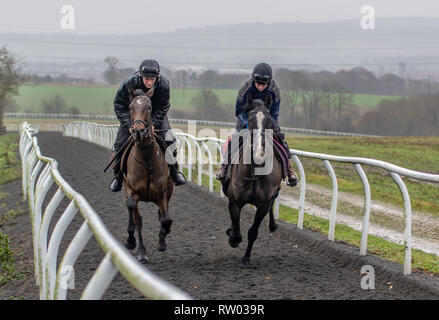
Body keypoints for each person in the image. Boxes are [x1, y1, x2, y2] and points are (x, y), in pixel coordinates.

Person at [109, 59, 187, 192]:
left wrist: (154, 124)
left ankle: (174, 172)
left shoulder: (163, 85)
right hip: (134, 116)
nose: (150, 82)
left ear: (157, 77)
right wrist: (129, 124)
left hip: (155, 114)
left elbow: (164, 106)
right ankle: (118, 177)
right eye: (147, 79)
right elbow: (118, 105)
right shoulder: (129, 84)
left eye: (153, 79)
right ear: (140, 76)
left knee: (170, 141)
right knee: (119, 144)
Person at [216, 62, 298, 187]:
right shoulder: (245, 88)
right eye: (258, 84)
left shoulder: (274, 90)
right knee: (236, 139)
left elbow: (275, 112)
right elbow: (238, 110)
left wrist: (270, 125)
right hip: (246, 118)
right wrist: (247, 124)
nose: (260, 87)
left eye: (264, 84)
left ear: (269, 82)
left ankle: (289, 171)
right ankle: (225, 167)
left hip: (266, 119)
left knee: (281, 139)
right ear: (253, 80)